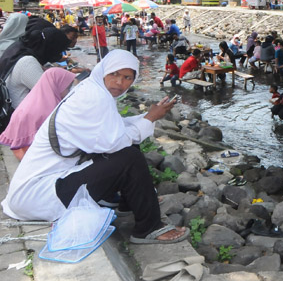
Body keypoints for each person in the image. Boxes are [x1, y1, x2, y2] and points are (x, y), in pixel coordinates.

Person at [2, 50, 187, 244]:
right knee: (130, 157)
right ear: (103, 71)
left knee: (130, 148)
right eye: (114, 74)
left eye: (127, 77)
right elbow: (115, 142)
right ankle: (148, 228)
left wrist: (148, 115)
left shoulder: (94, 89)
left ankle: (128, 203)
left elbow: (115, 129)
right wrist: (150, 118)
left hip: (46, 185)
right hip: (37, 197)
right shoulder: (94, 97)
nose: (119, 82)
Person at [0, 68, 75, 161]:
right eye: (68, 87)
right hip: (31, 156)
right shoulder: (48, 109)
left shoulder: (35, 100)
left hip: (23, 152)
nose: (69, 90)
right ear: (57, 85)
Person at [0, 26, 72, 109]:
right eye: (58, 51)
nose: (58, 55)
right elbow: (51, 94)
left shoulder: (19, 50)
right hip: (21, 115)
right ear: (50, 48)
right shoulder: (28, 62)